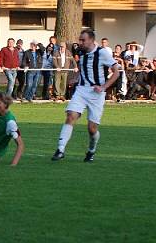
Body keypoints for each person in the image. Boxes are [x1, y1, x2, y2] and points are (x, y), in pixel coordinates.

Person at [52, 29, 121, 163]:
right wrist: (77, 78)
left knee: (92, 128)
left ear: (91, 40)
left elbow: (116, 72)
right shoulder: (80, 52)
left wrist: (103, 87)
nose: (80, 42)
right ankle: (60, 150)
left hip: (97, 94)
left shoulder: (102, 53)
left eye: (83, 40)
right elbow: (84, 69)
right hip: (82, 90)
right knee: (71, 115)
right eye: (80, 40)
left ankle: (91, 151)